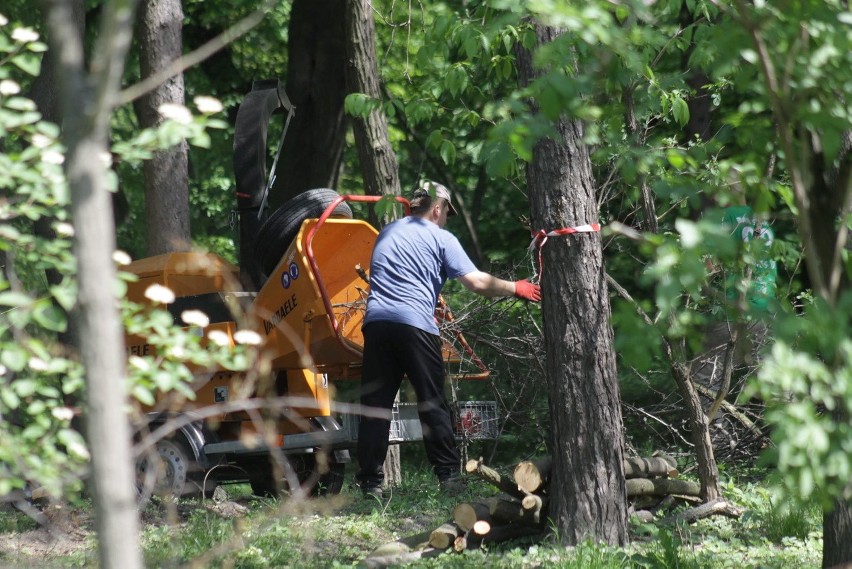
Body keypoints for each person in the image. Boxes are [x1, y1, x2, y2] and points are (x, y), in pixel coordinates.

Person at [356, 181, 541, 498]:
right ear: (438, 208)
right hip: (415, 325)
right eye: (446, 214)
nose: (445, 220)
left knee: (376, 405)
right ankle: (448, 478)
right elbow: (477, 283)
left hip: (376, 322)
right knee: (432, 403)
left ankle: (370, 484)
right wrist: (517, 287)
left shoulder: (387, 232)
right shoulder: (441, 237)